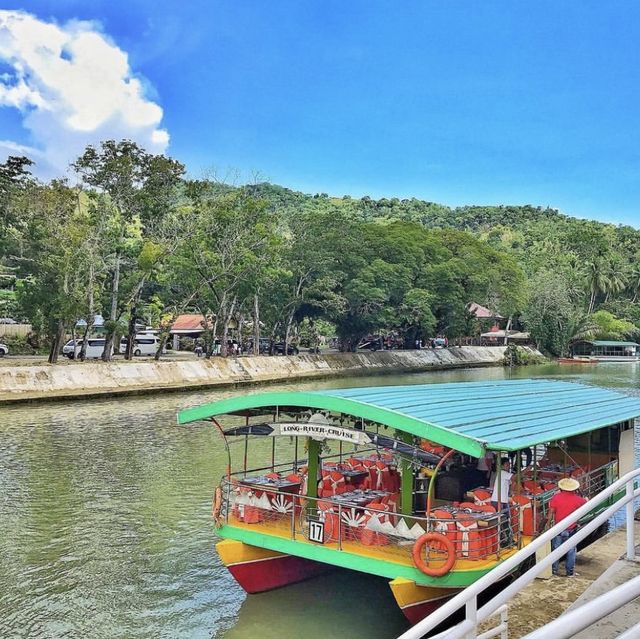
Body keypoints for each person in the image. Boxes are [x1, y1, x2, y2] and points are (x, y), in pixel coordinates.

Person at [543, 477, 587, 577]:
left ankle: (554, 571)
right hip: (571, 528)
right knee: (571, 551)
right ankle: (569, 573)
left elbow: (551, 512)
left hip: (558, 528)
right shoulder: (579, 500)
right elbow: (587, 506)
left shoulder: (556, 497)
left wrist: (548, 524)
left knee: (555, 551)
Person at [491, 458, 514, 546]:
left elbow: (512, 482)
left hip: (503, 500)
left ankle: (507, 539)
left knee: (506, 520)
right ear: (502, 466)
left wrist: (511, 491)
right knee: (502, 520)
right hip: (498, 501)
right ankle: (503, 539)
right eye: (507, 465)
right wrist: (527, 469)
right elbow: (515, 477)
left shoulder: (505, 474)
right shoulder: (502, 473)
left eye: (509, 465)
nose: (508, 467)